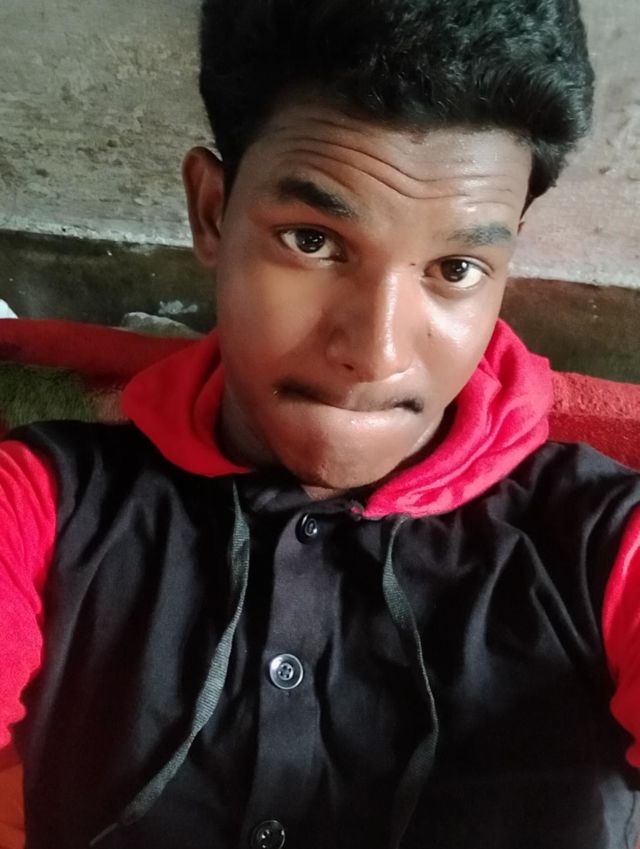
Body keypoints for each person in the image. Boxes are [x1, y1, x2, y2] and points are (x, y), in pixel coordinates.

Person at [1, 0, 639, 846]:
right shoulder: (43, 503)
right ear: (212, 211)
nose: (375, 353)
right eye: (310, 239)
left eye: (456, 266)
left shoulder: (606, 541)